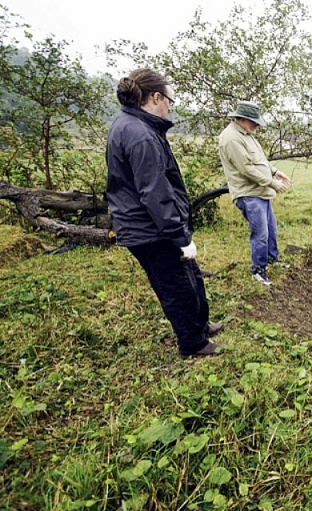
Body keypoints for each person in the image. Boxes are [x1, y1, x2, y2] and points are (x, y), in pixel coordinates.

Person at [105, 68, 223, 358]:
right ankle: (193, 344)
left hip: (153, 225)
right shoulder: (140, 134)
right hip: (150, 230)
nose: (170, 105)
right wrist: (179, 235)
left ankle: (201, 325)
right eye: (169, 99)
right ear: (155, 97)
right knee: (176, 286)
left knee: (191, 276)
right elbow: (153, 192)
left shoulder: (135, 124)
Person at [219, 101, 292, 286]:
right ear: (242, 119)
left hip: (261, 192)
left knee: (271, 231)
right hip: (249, 193)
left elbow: (259, 160)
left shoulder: (247, 133)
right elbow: (246, 169)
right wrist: (272, 183)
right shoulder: (232, 138)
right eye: (254, 122)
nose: (257, 126)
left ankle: (272, 261)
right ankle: (258, 271)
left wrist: (275, 171)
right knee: (260, 234)